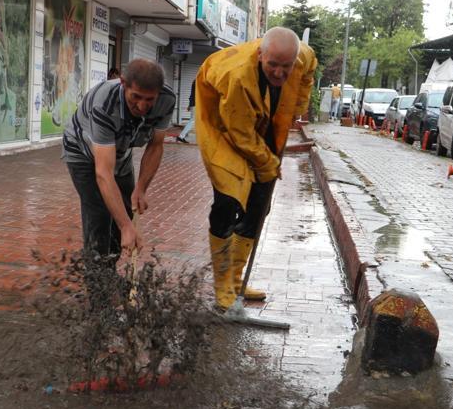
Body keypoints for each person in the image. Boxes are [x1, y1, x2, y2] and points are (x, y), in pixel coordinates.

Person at [195, 27, 317, 310]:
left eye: (285, 67)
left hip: (261, 122)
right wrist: (270, 163)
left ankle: (237, 280)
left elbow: (308, 73)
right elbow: (241, 135)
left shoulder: (304, 56)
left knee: (259, 204)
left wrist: (298, 102)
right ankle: (222, 284)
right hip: (222, 124)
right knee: (228, 199)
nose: (278, 72)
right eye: (272, 64)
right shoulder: (237, 76)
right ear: (261, 54)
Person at [62, 59, 176, 256]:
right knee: (99, 213)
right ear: (123, 84)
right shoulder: (105, 104)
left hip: (120, 152)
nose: (142, 106)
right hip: (82, 153)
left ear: (159, 92)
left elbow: (155, 145)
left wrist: (141, 188)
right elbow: (104, 173)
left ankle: (110, 271)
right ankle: (95, 277)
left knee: (125, 210)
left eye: (149, 100)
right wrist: (126, 227)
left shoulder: (167, 99)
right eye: (136, 97)